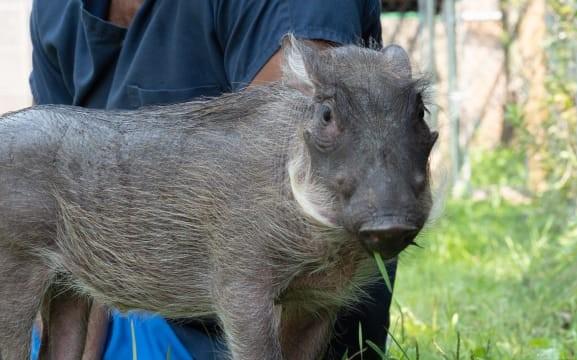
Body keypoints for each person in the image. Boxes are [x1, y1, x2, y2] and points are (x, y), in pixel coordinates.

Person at [29, 0, 395, 358]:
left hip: (235, 327)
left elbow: (291, 226)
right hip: (119, 296)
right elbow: (48, 215)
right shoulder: (56, 11)